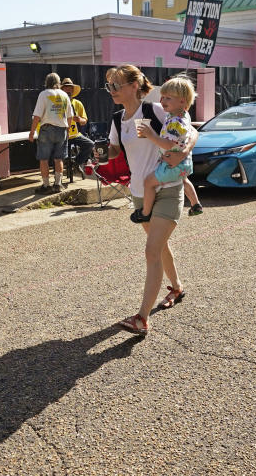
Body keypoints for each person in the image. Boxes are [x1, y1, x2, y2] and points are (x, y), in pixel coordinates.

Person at [106, 65, 197, 336]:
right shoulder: (117, 119)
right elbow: (114, 150)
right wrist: (101, 153)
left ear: (135, 86)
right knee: (159, 246)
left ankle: (142, 318)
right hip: (139, 192)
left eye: (117, 85)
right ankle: (177, 287)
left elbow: (190, 131)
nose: (112, 90)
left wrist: (184, 150)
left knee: (151, 251)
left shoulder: (155, 110)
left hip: (167, 188)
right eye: (109, 86)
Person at [130, 76, 198, 224]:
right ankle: (195, 204)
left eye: (168, 98)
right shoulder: (181, 115)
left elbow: (168, 144)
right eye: (162, 97)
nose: (163, 101)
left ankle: (145, 213)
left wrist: (150, 134)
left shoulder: (176, 122)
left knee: (148, 182)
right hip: (182, 164)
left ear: (182, 101)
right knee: (182, 180)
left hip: (172, 164)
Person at [29, 73, 73, 193]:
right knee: (59, 159)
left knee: (44, 159)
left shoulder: (43, 94)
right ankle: (58, 185)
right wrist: (67, 130)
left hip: (46, 129)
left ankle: (46, 186)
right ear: (58, 82)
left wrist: (32, 132)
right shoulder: (64, 95)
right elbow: (70, 116)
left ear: (46, 82)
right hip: (62, 130)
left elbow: (37, 116)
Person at [60, 77, 94, 179]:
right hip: (61, 135)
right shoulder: (57, 103)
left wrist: (79, 119)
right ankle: (61, 172)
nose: (68, 90)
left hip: (75, 134)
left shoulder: (77, 103)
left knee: (90, 144)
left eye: (70, 88)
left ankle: (76, 163)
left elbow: (84, 121)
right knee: (59, 152)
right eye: (65, 88)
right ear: (61, 90)